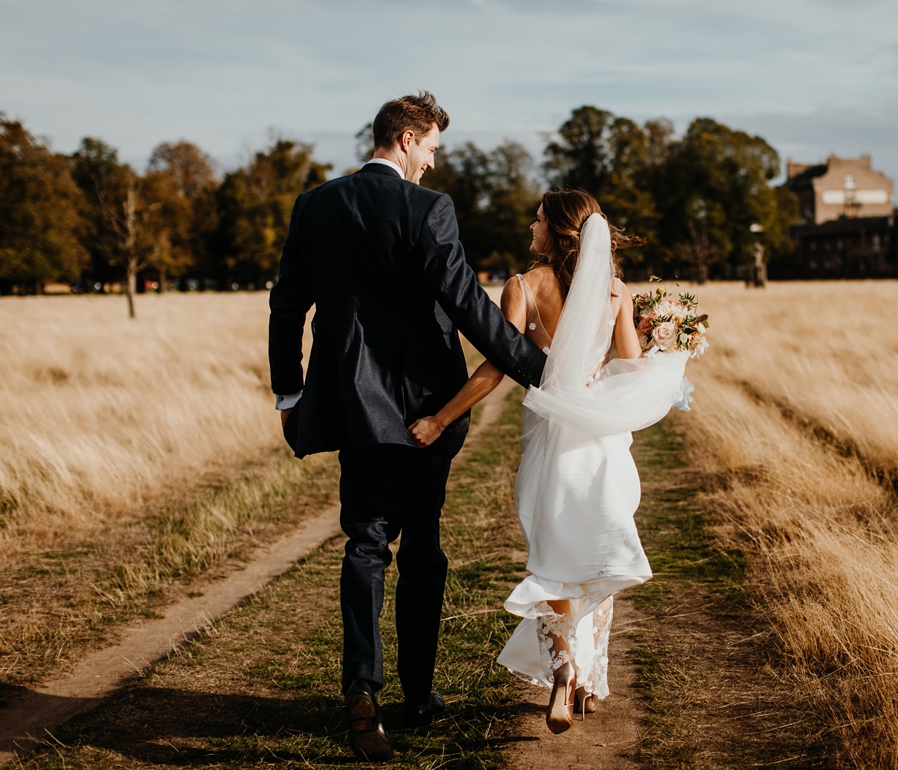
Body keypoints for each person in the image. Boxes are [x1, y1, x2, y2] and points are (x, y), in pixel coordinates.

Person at [268, 92, 547, 762]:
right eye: (430, 148)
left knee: (365, 545)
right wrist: (541, 369)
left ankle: (362, 694)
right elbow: (469, 307)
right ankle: (418, 698)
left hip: (352, 407)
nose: (431, 163)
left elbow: (288, 304)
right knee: (423, 547)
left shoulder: (316, 205)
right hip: (427, 408)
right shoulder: (428, 209)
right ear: (406, 136)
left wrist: (289, 391)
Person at [408, 190, 690, 734]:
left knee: (555, 555)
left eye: (537, 220)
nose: (530, 226)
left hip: (551, 441)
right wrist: (667, 349)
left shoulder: (522, 287)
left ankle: (563, 675)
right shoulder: (614, 292)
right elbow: (629, 369)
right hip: (604, 443)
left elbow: (495, 367)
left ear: (558, 231)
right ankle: (585, 681)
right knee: (599, 556)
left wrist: (440, 419)